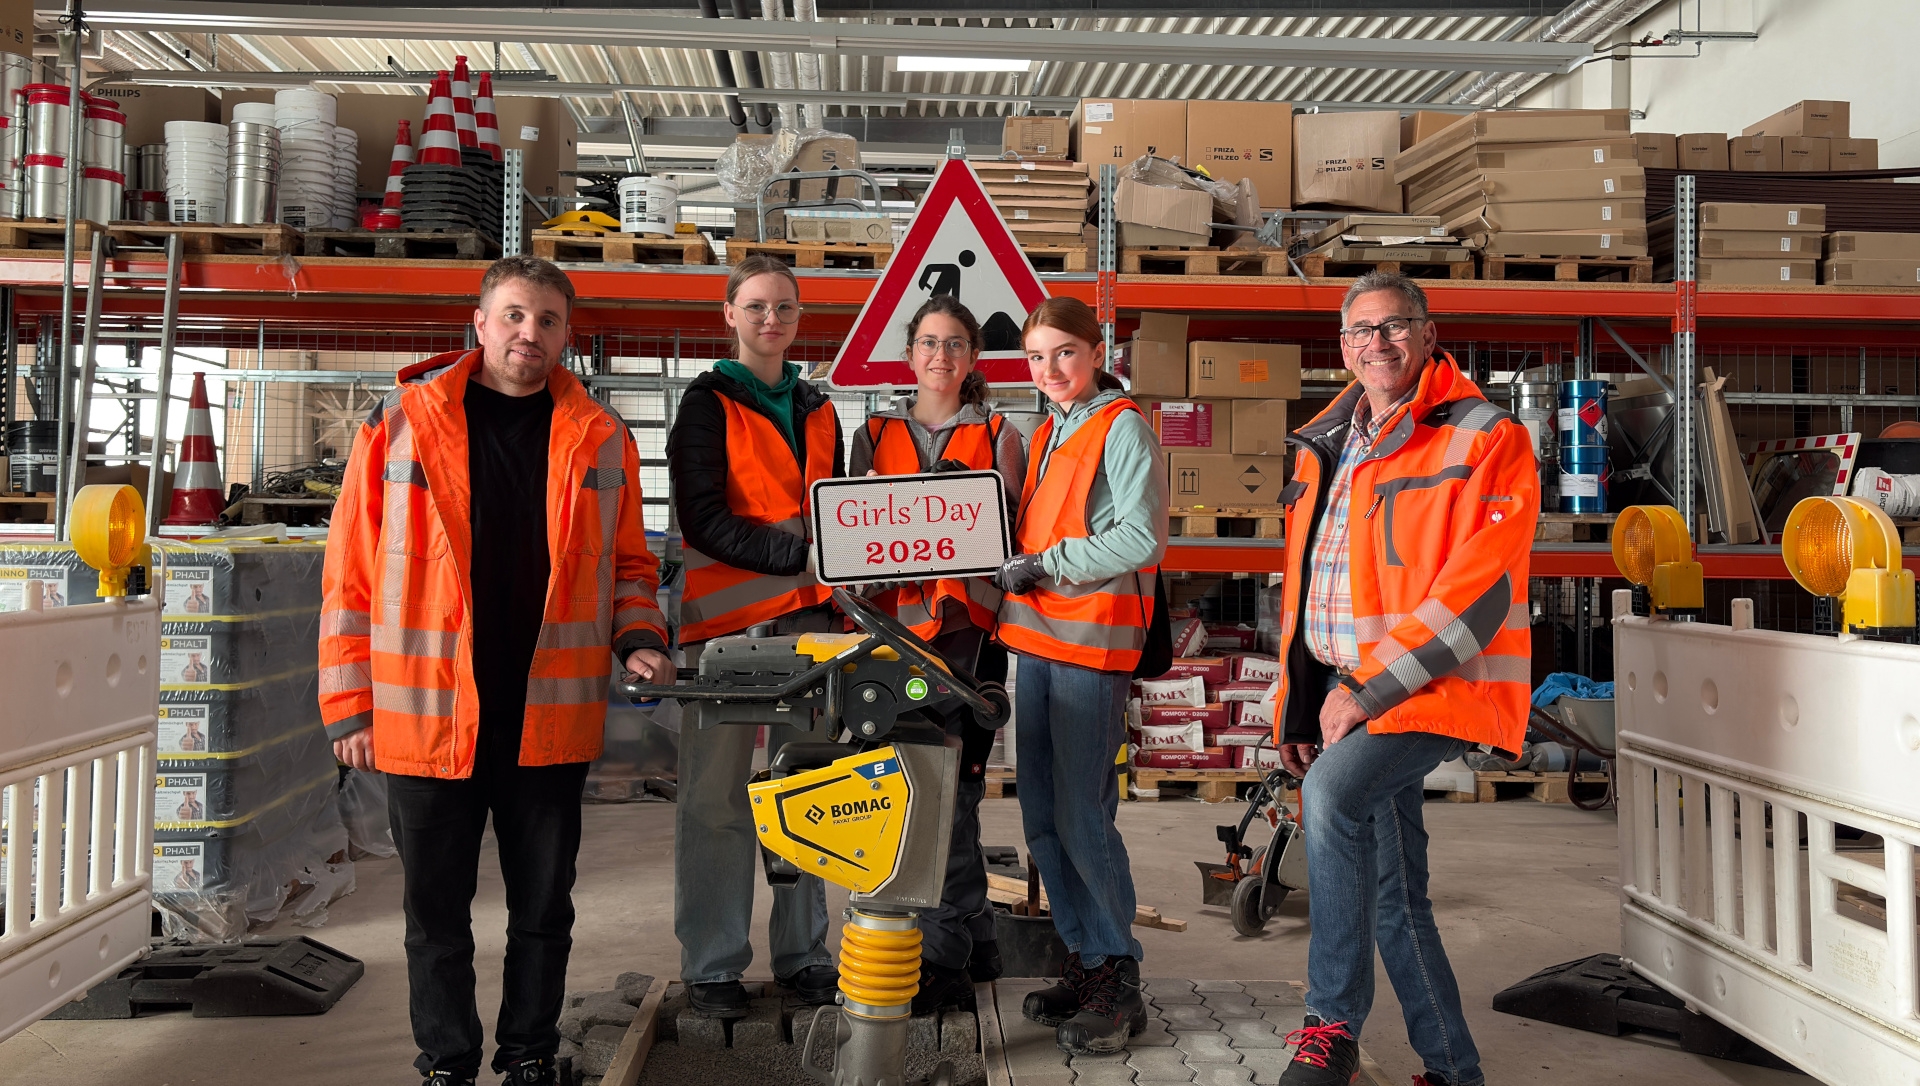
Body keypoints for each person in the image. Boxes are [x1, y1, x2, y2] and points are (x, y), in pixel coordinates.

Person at [319, 255, 671, 1086]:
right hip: (424, 715)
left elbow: (630, 566)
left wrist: (639, 639)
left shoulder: (600, 433)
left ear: (566, 335)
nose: (529, 334)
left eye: (547, 321)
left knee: (543, 910)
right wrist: (348, 704)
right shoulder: (401, 420)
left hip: (544, 717)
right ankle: (447, 1063)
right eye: (514, 315)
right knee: (434, 916)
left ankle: (529, 1057)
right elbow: (350, 573)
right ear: (479, 324)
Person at [1269, 273, 1537, 1086]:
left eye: (1393, 327)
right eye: (1360, 331)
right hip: (1347, 689)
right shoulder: (1327, 440)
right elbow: (1312, 585)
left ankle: (1331, 1026)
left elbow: (1478, 595)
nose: (1376, 344)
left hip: (1433, 685)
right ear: (1342, 346)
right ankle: (1454, 1071)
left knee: (1335, 798)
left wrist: (1368, 692)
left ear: (1426, 334)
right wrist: (1301, 707)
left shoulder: (1485, 436)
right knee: (1394, 892)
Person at [668, 253, 843, 1020]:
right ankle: (712, 966)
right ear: (730, 315)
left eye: (785, 308)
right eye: (757, 307)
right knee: (717, 806)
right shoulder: (708, 405)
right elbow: (702, 518)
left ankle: (805, 957)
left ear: (799, 319)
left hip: (812, 633)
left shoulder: (819, 407)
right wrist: (800, 550)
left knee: (807, 793)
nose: (772, 320)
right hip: (728, 639)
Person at [993, 296, 1166, 1056]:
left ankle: (1118, 975)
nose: (1051, 369)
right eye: (1036, 357)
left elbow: (1140, 536)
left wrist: (1047, 566)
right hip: (1037, 646)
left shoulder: (1121, 427)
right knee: (1041, 818)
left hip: (1091, 651)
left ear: (1095, 352)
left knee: (1083, 816)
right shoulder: (1050, 431)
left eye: (1064, 352)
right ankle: (1087, 957)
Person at [847, 294, 1028, 1014]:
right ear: (909, 353)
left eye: (955, 344)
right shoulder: (874, 432)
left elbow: (1007, 532)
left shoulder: (1002, 435)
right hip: (891, 641)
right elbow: (853, 528)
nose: (941, 358)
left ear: (972, 358)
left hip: (965, 642)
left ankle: (945, 961)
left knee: (948, 798)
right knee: (931, 797)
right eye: (929, 343)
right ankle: (976, 940)